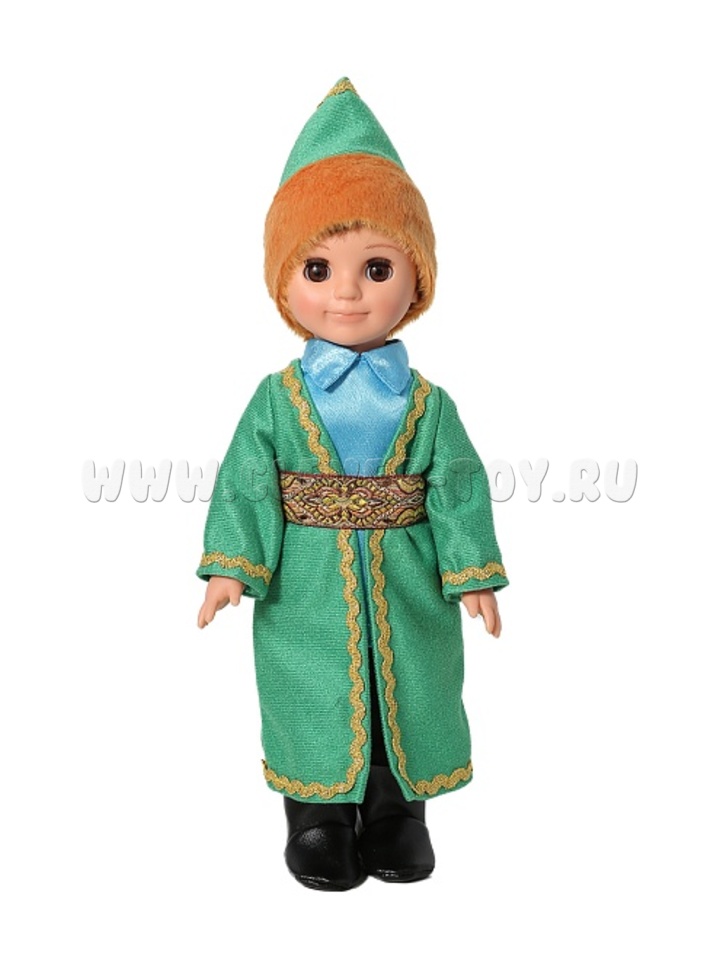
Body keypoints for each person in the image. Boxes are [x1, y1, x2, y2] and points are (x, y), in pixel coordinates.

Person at [196, 78, 508, 891]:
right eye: (318, 267)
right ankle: (316, 818)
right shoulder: (276, 400)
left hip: (408, 575)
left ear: (416, 280)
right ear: (283, 284)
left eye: (376, 267)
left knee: (409, 684)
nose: (346, 292)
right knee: (311, 685)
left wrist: (471, 572)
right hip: (302, 578)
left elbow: (458, 486)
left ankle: (400, 813)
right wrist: (232, 565)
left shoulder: (429, 404)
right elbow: (247, 479)